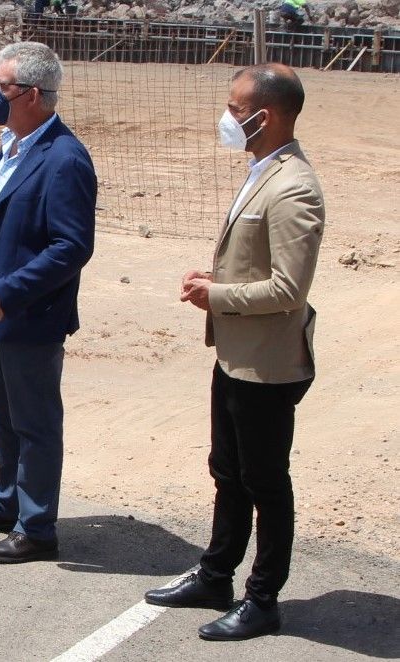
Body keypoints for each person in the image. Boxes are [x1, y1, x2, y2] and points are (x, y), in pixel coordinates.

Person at [144, 63, 324, 642]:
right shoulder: (262, 170)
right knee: (228, 471)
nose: (227, 117)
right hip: (235, 355)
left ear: (264, 117)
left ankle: (263, 599)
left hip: (266, 365)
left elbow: (289, 288)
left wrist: (216, 295)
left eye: (235, 108)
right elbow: (253, 261)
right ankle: (216, 574)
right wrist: (215, 278)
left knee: (265, 481)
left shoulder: (294, 187)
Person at [0, 42, 96, 564]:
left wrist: (9, 291)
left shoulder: (64, 158)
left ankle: (36, 528)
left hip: (29, 315)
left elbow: (71, 246)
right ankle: (8, 502)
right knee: (5, 414)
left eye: (1, 86)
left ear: (32, 95)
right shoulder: (14, 143)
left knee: (34, 422)